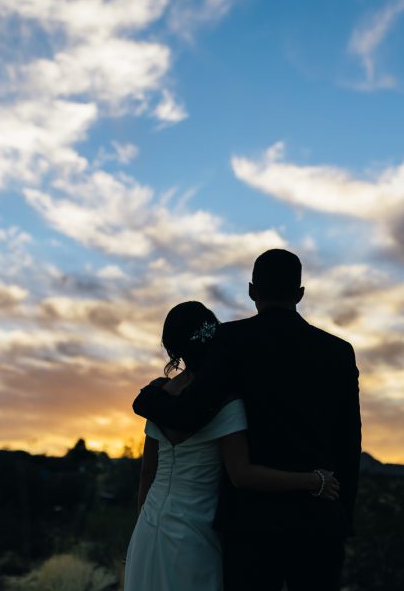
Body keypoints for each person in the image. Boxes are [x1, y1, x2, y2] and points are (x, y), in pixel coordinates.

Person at [133, 249, 362, 591]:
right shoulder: (339, 351)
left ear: (252, 291)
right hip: (320, 519)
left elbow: (191, 412)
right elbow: (350, 443)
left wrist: (148, 397)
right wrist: (342, 515)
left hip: (252, 526)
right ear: (300, 294)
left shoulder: (230, 340)